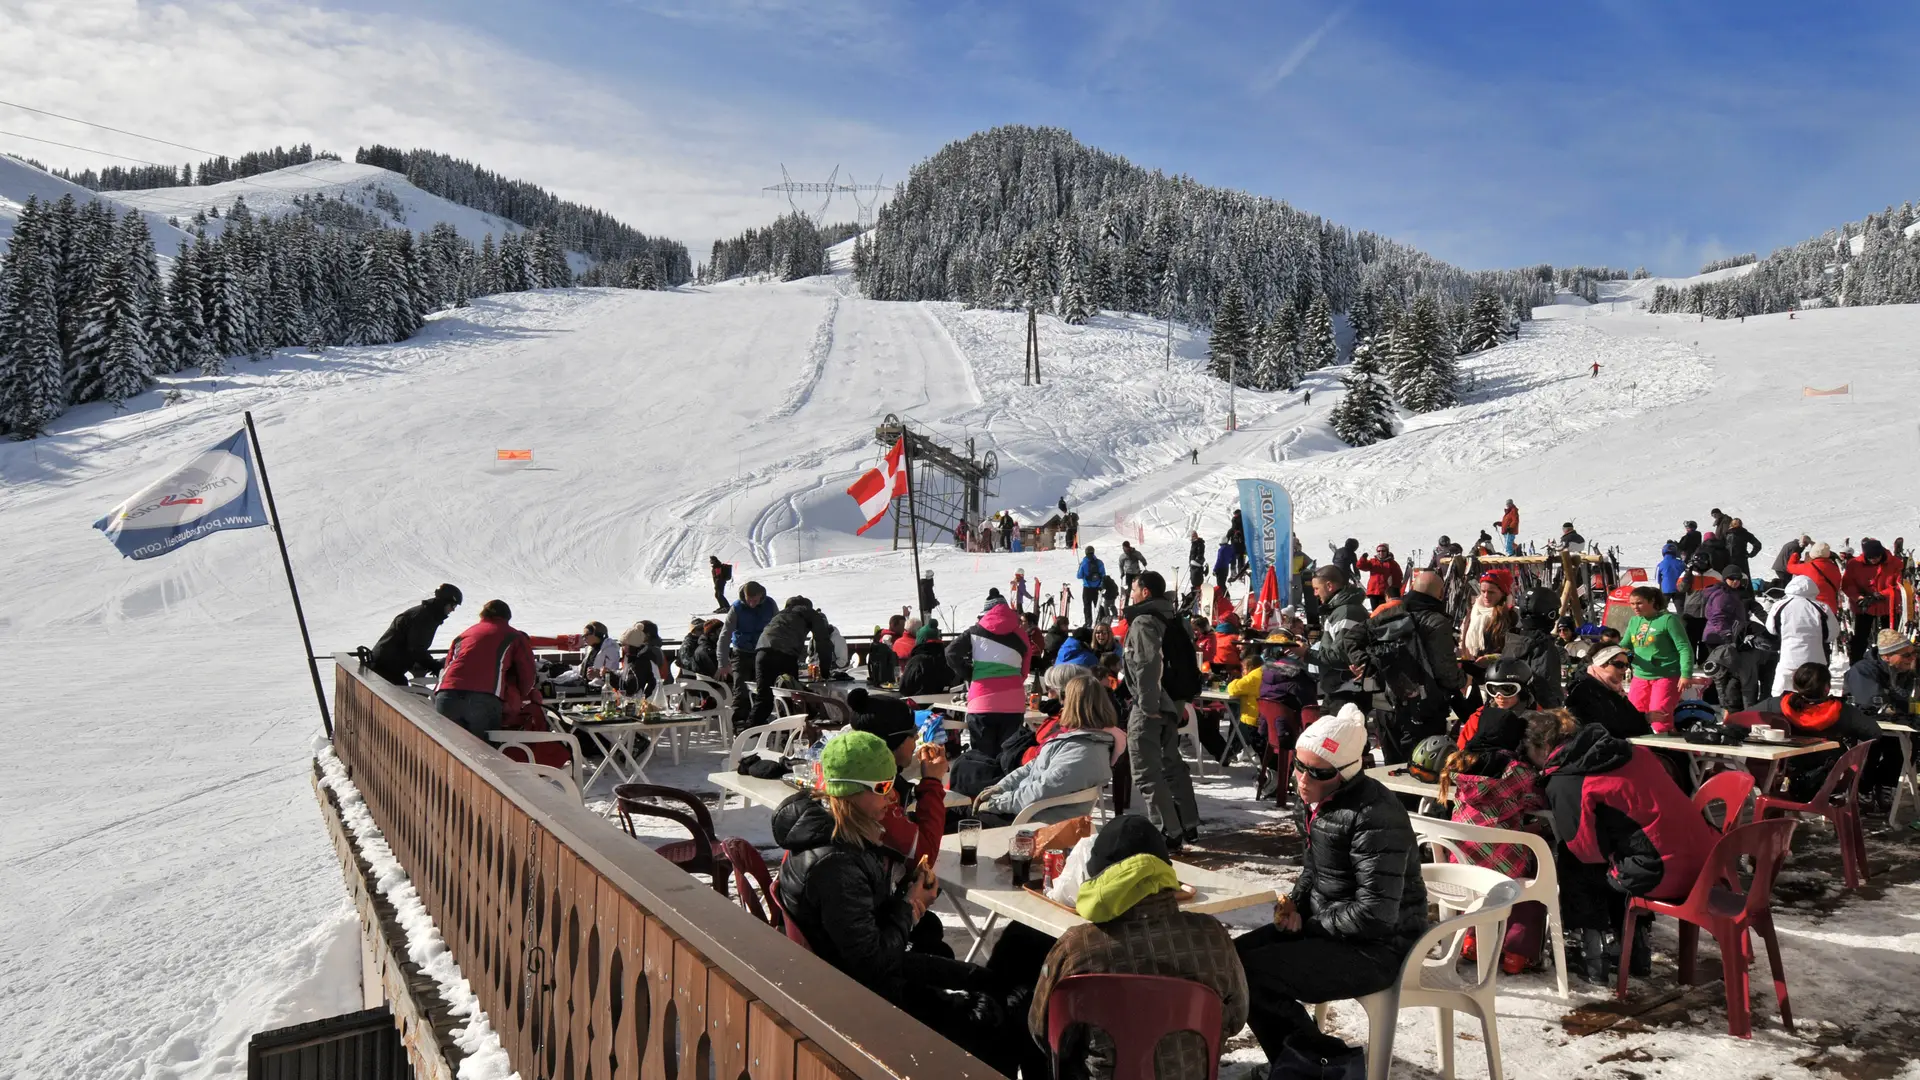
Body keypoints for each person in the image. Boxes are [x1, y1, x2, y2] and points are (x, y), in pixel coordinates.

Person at [772, 732, 1030, 1074]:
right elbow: (873, 962)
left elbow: (864, 926)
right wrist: (910, 906)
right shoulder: (835, 864)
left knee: (998, 979)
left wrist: (910, 891)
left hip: (855, 977)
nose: (893, 795)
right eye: (881, 787)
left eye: (892, 782)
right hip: (861, 999)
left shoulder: (841, 834)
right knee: (1004, 1009)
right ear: (848, 790)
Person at [1235, 708, 1429, 1068]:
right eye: (1298, 765)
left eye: (1319, 772)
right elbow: (1314, 866)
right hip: (1334, 929)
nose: (1303, 779)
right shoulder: (1315, 801)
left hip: (1382, 947)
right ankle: (1304, 1062)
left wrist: (1308, 925)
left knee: (1253, 973)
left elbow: (1376, 914)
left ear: (1346, 774)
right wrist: (1293, 904)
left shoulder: (1375, 815)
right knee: (1230, 960)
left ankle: (1317, 1065)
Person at [1030, 815, 1249, 1080]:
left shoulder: (1077, 948)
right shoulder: (1212, 937)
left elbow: (1044, 1033)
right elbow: (1236, 1017)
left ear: (1098, 878)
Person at [1529, 709, 1714, 982]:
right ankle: (1636, 947)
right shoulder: (1632, 752)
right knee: (1619, 850)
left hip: (1662, 874)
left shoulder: (1568, 780)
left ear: (1543, 747)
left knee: (1576, 861)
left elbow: (1584, 851)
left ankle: (1593, 954)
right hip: (1708, 865)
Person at [1436, 745, 1548, 974]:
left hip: (1462, 867)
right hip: (1503, 872)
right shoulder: (1520, 777)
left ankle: (1471, 942)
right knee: (1534, 873)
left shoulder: (1462, 775)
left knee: (1481, 874)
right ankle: (1517, 953)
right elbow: (1539, 802)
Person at [972, 677, 1117, 827]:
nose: (1061, 704)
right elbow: (1032, 766)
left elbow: (1041, 791)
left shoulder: (1082, 751)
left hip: (1036, 821)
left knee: (959, 818)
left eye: (1063, 697)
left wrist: (998, 803)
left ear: (1072, 703)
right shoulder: (1080, 739)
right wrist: (1001, 787)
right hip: (1028, 810)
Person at [1123, 571, 1201, 845]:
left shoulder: (1144, 620)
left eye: (1133, 588)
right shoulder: (1175, 618)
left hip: (1154, 703)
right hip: (1174, 702)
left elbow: (1147, 663)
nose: (1130, 593)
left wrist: (1147, 704)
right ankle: (1187, 822)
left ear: (1145, 592)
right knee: (1171, 763)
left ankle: (1167, 831)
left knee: (1146, 770)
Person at [1368, 568, 1467, 764]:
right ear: (1440, 594)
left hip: (1384, 703)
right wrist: (1463, 678)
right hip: (1422, 707)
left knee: (1392, 767)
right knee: (1421, 767)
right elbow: (1444, 670)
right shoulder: (1436, 622)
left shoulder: (1389, 613)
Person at [1759, 662, 1884, 801]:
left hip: (1784, 775)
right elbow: (1874, 732)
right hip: (1832, 781)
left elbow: (1739, 719)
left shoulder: (1777, 705)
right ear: (1826, 688)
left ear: (1795, 685)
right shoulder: (1843, 712)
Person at [433, 599, 537, 739]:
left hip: (446, 695)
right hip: (483, 698)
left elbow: (448, 664)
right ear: (507, 617)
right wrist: (520, 695)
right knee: (483, 754)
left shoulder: (464, 635)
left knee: (449, 750)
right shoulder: (514, 636)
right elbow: (527, 674)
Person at [946, 592, 1033, 757]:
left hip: (981, 701)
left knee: (982, 758)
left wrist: (971, 675)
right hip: (1013, 703)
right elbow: (1025, 670)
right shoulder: (1021, 634)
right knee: (1009, 757)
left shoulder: (974, 631)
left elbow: (951, 653)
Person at [1306, 565, 1371, 714]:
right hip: (1337, 689)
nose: (1315, 594)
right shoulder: (1339, 611)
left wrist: (1306, 654)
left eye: (1317, 588)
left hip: (1347, 691)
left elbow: (1341, 655)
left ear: (1329, 586)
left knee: (1340, 736)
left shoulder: (1346, 612)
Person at [368, 583, 462, 685]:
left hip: (389, 666)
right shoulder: (423, 617)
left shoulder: (428, 614)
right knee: (400, 697)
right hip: (385, 668)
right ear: (443, 602)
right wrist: (434, 665)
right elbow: (416, 648)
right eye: (453, 605)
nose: (453, 610)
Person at [1623, 586, 1692, 725]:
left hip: (1666, 675)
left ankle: (1662, 745)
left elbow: (1684, 648)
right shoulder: (1634, 621)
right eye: (1632, 604)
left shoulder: (1668, 620)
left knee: (1660, 718)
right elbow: (1625, 645)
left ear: (1652, 601)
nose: (1635, 607)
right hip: (1640, 675)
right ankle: (1639, 747)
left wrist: (1686, 673)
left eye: (1639, 603)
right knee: (1634, 716)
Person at [756, 596, 835, 715]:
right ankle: (796, 729)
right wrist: (825, 672)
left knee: (764, 699)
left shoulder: (780, 614)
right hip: (785, 655)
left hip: (762, 653)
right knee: (794, 697)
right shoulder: (811, 613)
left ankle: (751, 731)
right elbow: (823, 643)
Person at [718, 581, 779, 729]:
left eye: (755, 600)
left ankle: (759, 721)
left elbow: (778, 627)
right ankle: (739, 722)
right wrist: (723, 662)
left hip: (762, 651)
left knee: (763, 688)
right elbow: (725, 635)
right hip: (741, 651)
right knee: (741, 688)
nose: (751, 603)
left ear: (760, 595)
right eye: (748, 600)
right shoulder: (737, 608)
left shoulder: (770, 605)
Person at [1769, 574, 1837, 697]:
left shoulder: (1779, 606)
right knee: (1814, 694)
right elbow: (1832, 633)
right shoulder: (1821, 607)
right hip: (1815, 659)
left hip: (1788, 658)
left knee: (1782, 694)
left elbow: (1772, 629)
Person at [1842, 537, 1906, 664]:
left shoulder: (1895, 563)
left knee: (1890, 639)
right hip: (1864, 607)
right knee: (1860, 638)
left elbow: (1899, 586)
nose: (1873, 560)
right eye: (1870, 558)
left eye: (1876, 557)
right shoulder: (1855, 564)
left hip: (1888, 606)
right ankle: (1856, 665)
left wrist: (1881, 595)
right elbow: (1847, 585)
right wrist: (1858, 598)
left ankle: (1891, 665)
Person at [1565, 645, 1652, 738]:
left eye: (1627, 665)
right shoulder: (1586, 690)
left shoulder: (1613, 689)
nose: (1625, 669)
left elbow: (1624, 719)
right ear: (1602, 663)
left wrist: (1644, 718)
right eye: (1619, 665)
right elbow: (1608, 726)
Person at [1454, 657, 1536, 753]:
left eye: (1507, 689)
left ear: (1523, 690)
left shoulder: (1538, 720)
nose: (1499, 696)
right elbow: (1461, 752)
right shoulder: (1478, 718)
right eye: (1493, 689)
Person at [1501, 595, 1568, 708]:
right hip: (1537, 715)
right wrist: (1555, 714)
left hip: (1514, 708)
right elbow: (1546, 685)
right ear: (1550, 615)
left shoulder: (1514, 640)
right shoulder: (1542, 646)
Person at [1460, 572, 1515, 661]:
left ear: (1502, 593)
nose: (1486, 596)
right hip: (1471, 666)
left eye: (1491, 592)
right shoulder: (1473, 611)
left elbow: (1513, 651)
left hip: (1497, 670)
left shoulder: (1510, 615)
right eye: (1483, 591)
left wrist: (1491, 658)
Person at [898, 621, 955, 697]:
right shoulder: (948, 659)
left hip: (920, 705)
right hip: (945, 703)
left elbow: (904, 688)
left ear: (920, 640)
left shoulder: (916, 661)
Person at [1787, 540, 1842, 613]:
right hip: (1831, 609)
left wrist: (1795, 555)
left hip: (1813, 610)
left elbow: (1790, 567)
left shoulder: (1807, 567)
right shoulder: (1835, 568)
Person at [1354, 542, 1404, 610]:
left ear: (1387, 552)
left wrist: (1394, 591)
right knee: (1375, 611)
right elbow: (1360, 566)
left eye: (1383, 551)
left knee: (1384, 611)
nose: (1381, 552)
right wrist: (1363, 559)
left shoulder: (1392, 563)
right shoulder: (1373, 561)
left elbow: (1398, 577)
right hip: (1373, 591)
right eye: (1379, 551)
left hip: (1385, 593)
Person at [1077, 546, 1106, 628]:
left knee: (1087, 606)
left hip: (1087, 588)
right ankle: (1101, 620)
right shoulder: (1099, 562)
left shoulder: (1084, 563)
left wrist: (1080, 567)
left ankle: (1088, 622)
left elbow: (1079, 576)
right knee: (1098, 604)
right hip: (1097, 588)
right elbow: (1103, 575)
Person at [1656, 542, 1686, 612]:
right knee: (1680, 609)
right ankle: (1682, 621)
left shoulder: (1660, 564)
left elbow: (1657, 579)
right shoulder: (1681, 563)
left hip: (1665, 589)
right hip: (1679, 589)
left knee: (1662, 608)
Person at [1185, 531, 1207, 610]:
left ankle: (1198, 600)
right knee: (1194, 583)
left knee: (1196, 583)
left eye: (1194, 536)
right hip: (1193, 567)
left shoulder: (1199, 544)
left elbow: (1200, 555)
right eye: (1192, 536)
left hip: (1196, 567)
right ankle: (1196, 601)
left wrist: (1196, 562)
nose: (1193, 537)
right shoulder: (1194, 544)